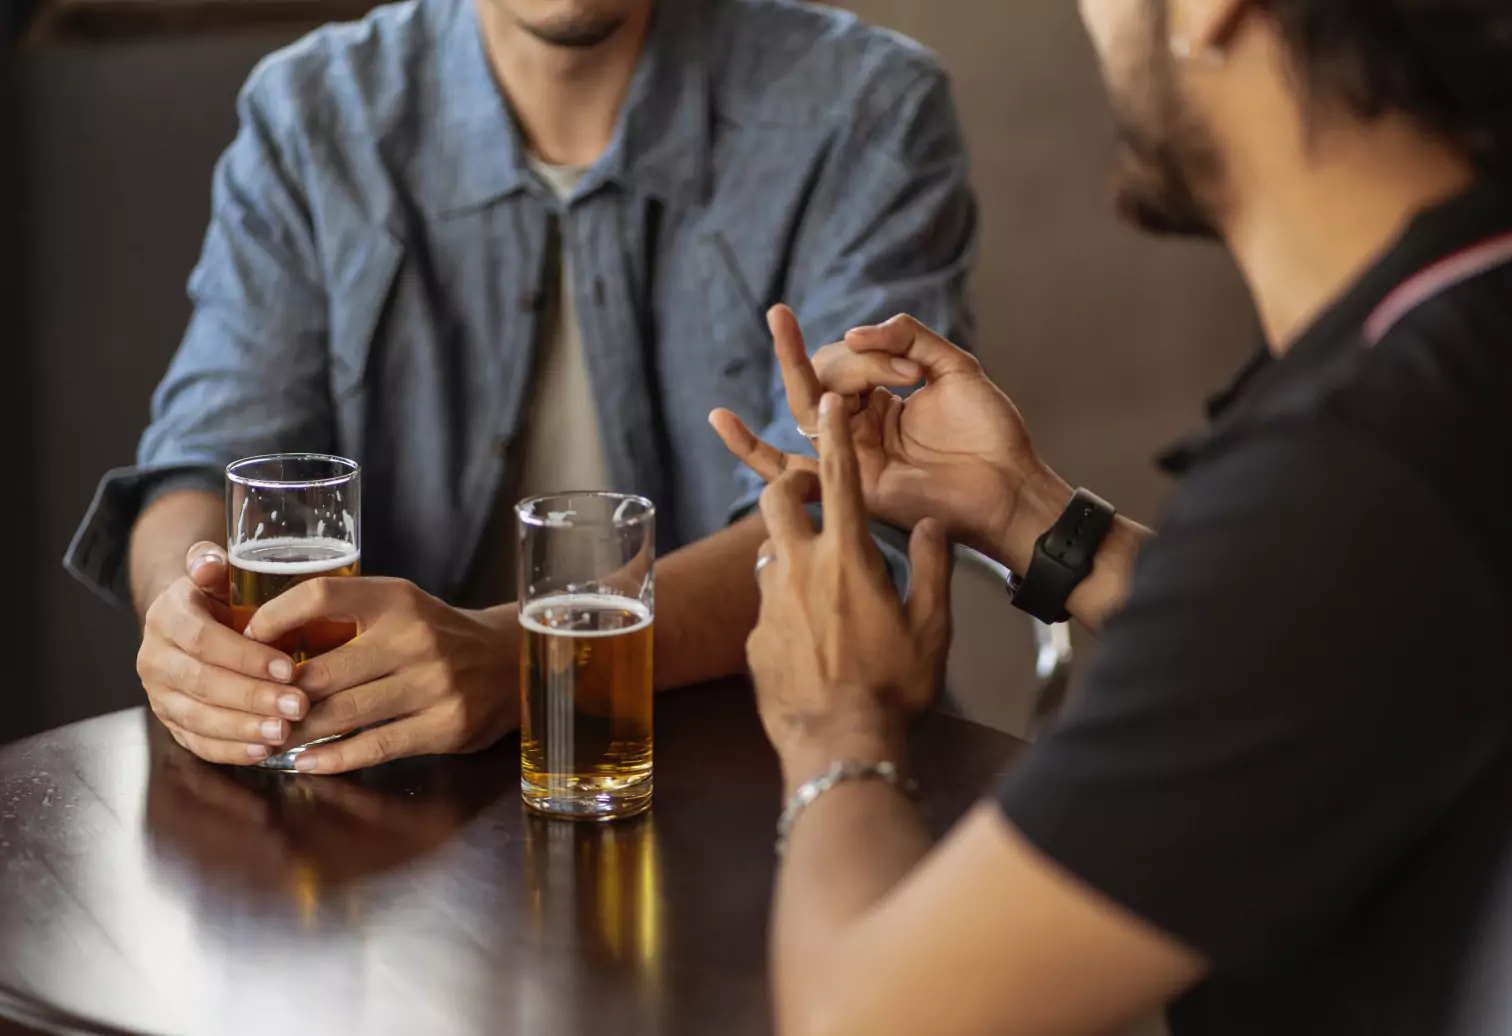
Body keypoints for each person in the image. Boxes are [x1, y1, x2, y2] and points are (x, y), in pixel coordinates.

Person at [710, 0, 1512, 1033]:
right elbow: (1343, 654)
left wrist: (837, 717)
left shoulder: (1362, 474)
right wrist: (1029, 513)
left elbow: (862, 1019)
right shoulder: (1457, 354)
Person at [64, 0, 975, 771]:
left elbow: (842, 518)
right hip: (390, 809)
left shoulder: (866, 107)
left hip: (774, 772)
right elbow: (200, 466)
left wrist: (530, 659)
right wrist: (181, 615)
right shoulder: (312, 112)